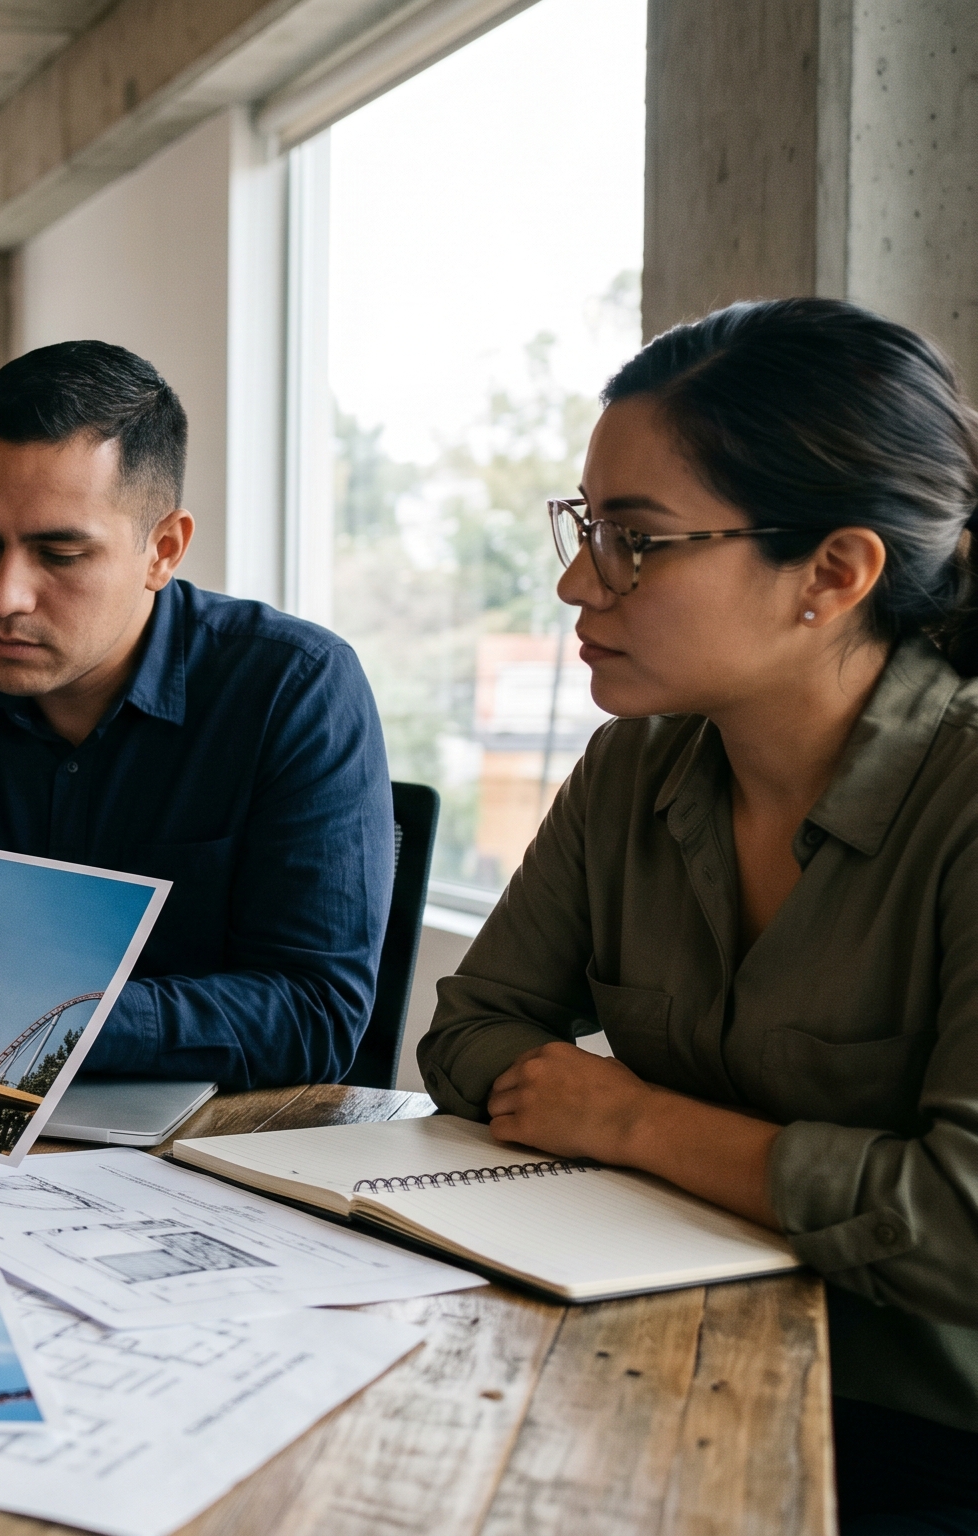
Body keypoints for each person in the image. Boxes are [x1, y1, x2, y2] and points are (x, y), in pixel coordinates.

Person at [418, 298, 978, 1532]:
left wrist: (627, 1115)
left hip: (920, 1443)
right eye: (585, 526)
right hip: (643, 1347)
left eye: (635, 539)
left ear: (831, 574)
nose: (577, 580)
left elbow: (961, 1224)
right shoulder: (634, 767)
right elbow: (470, 1034)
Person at [0, 341, 391, 1090]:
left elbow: (316, 1014)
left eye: (59, 554)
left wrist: (37, 1022)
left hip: (202, 1150)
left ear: (164, 550)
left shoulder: (294, 688)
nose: (1, 597)